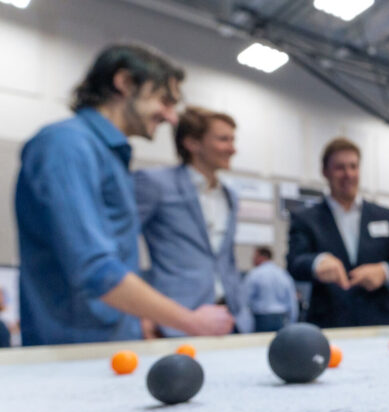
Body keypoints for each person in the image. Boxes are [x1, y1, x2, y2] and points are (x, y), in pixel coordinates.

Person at [15, 44, 234, 346]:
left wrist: (141, 316)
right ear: (125, 83)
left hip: (114, 340)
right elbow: (94, 268)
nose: (171, 117)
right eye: (164, 100)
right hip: (72, 346)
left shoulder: (110, 158)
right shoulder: (65, 146)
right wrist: (191, 321)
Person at [134, 106, 253, 336]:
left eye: (233, 140)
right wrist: (142, 313)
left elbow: (225, 258)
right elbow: (120, 245)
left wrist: (242, 311)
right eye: (223, 140)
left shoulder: (230, 196)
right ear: (192, 143)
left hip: (231, 320)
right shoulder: (155, 183)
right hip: (175, 322)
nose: (232, 149)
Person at [287, 138, 389, 327]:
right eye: (340, 167)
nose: (348, 174)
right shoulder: (305, 219)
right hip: (329, 324)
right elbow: (294, 263)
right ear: (325, 172)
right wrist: (317, 262)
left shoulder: (385, 216)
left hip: (380, 323)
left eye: (353, 166)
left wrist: (384, 271)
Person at [243, 247, 298, 332]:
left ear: (261, 257)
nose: (252, 259)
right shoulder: (283, 274)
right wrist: (292, 322)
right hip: (280, 319)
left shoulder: (254, 274)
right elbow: (292, 301)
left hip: (261, 319)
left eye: (254, 256)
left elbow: (244, 300)